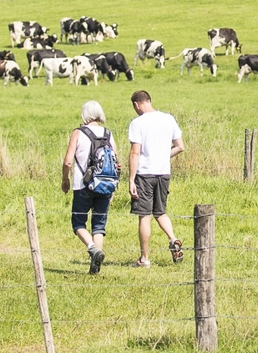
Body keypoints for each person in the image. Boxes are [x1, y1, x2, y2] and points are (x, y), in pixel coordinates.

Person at [126, 90, 185, 267]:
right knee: (160, 212)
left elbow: (135, 152)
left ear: (136, 104)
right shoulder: (169, 119)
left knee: (144, 216)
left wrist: (130, 179)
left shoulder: (137, 123)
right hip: (163, 172)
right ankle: (173, 239)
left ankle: (144, 259)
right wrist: (162, 157)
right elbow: (180, 146)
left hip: (144, 174)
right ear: (149, 101)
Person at [61, 101, 117, 274]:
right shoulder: (108, 134)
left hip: (82, 184)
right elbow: (116, 163)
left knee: (78, 223)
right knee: (99, 226)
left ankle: (93, 249)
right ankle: (96, 267)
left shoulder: (78, 133)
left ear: (85, 114)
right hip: (105, 184)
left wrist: (65, 179)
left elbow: (68, 161)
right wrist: (113, 187)